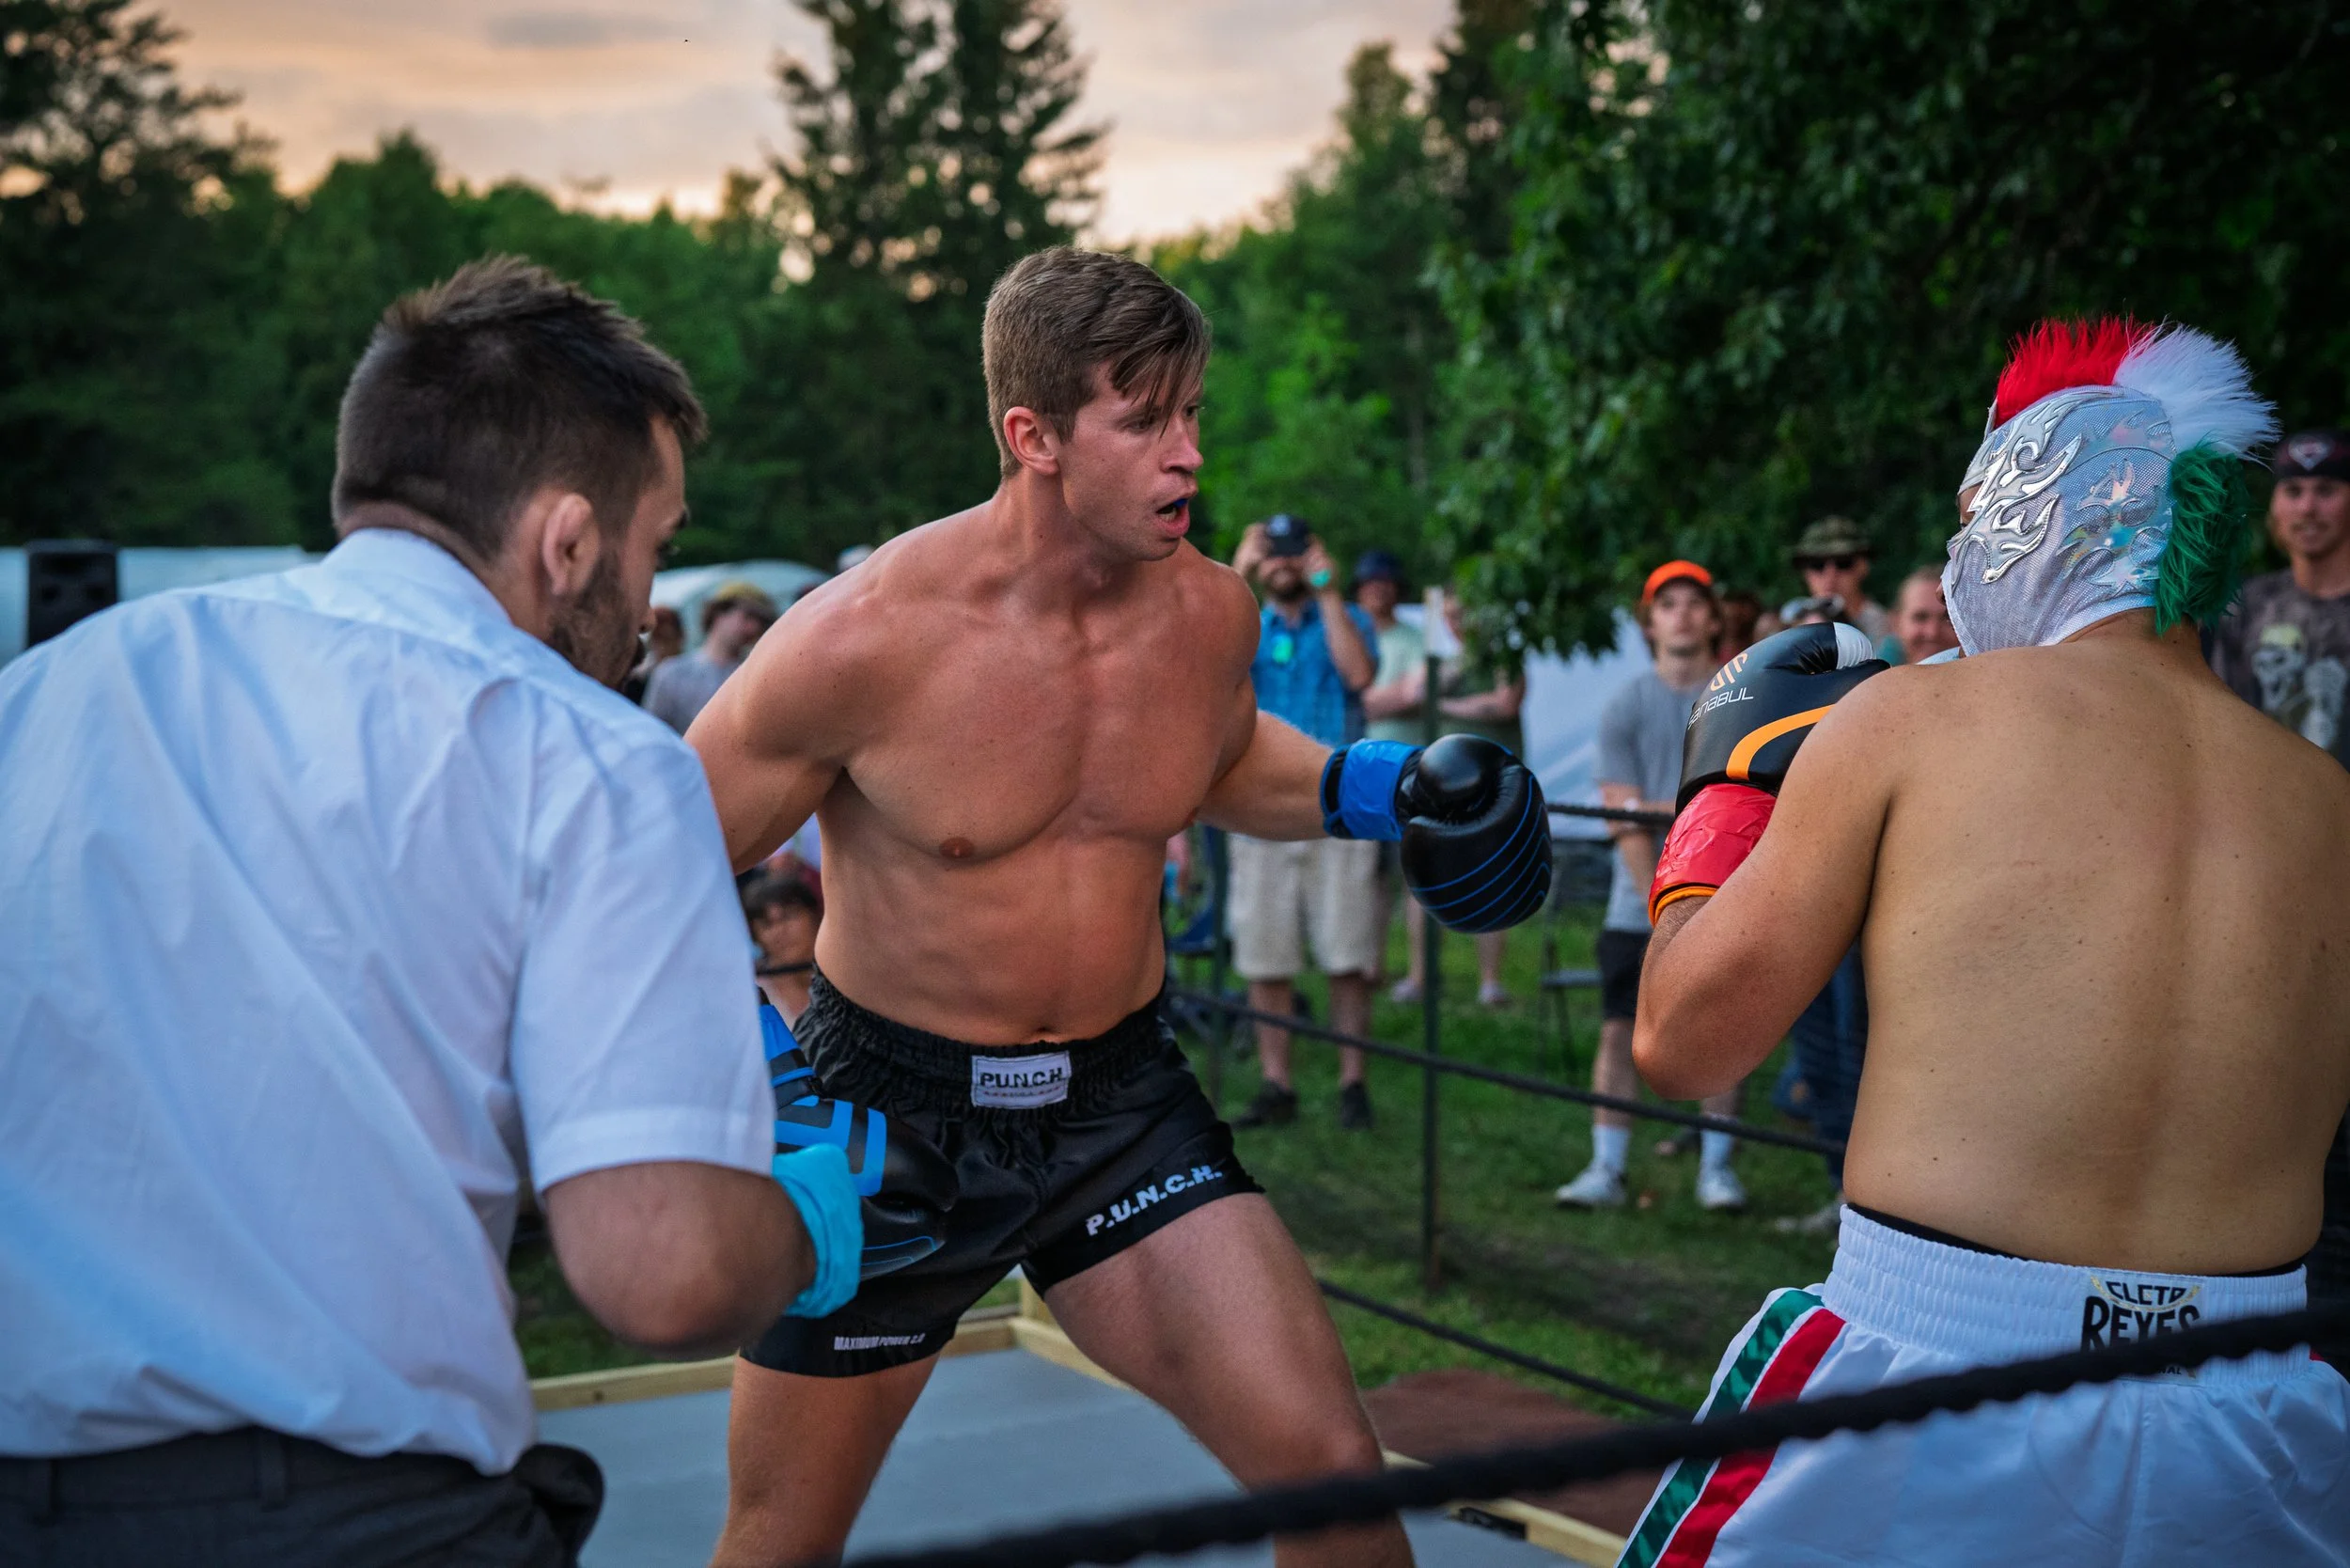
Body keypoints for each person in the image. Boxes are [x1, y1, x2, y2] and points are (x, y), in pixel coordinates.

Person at [684, 246, 1550, 1568]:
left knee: (1332, 1482)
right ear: (1032, 436)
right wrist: (771, 1084)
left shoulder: (1208, 615)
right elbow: (644, 875)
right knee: (781, 1537)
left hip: (1118, 1114)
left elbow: (1209, 758)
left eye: (1193, 412)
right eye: (1145, 420)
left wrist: (1380, 788)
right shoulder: (861, 642)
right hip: (889, 1124)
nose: (1188, 454)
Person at [0, 259, 862, 1567]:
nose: (645, 610)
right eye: (653, 551)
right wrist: (817, 1216)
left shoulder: (47, 692)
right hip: (355, 1518)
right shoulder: (590, 759)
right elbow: (663, 1267)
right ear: (566, 539)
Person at [1622, 320, 2350, 1564]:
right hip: (2258, 1414)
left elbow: (1683, 1043)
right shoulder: (2326, 800)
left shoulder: (1911, 723)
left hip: (1936, 1371)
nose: (1960, 557)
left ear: (2045, 512)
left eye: (1975, 516)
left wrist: (1722, 808)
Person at [1556, 561, 1747, 1215]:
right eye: (1669, 604)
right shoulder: (1626, 703)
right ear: (1650, 621)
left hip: (1727, 900)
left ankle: (1716, 1171)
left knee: (1722, 1032)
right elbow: (1621, 817)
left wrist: (1659, 811)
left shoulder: (1745, 701)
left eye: (1696, 602)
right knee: (1618, 1032)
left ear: (1714, 617)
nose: (1684, 613)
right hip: (1635, 905)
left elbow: (1739, 805)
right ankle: (1605, 1169)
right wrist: (1661, 907)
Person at [1225, 512, 1384, 1131]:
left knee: (1347, 953)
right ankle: (1277, 1084)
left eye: (1293, 550)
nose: (1283, 562)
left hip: (1340, 806)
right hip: (1258, 808)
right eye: (1273, 552)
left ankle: (1353, 1084)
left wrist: (1327, 590)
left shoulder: (1345, 619)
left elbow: (1361, 676)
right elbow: (1207, 671)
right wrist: (1237, 577)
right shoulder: (1246, 625)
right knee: (1266, 956)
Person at [2208, 429, 2350, 765]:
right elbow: (2220, 724)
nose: (2307, 508)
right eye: (2293, 490)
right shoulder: (2242, 606)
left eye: (2326, 490)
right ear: (2274, 506)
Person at [1355, 550, 1423, 992]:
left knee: (1415, 877)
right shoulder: (1351, 636)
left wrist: (1362, 695)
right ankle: (1370, 966)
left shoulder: (1414, 637)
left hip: (1409, 771)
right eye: (1371, 581)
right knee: (1370, 878)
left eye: (1387, 581)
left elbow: (1414, 694)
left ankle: (1418, 975)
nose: (1379, 588)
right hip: (1360, 775)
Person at [642, 579, 776, 734]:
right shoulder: (671, 673)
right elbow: (651, 732)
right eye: (747, 616)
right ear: (719, 613)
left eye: (761, 622)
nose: (754, 627)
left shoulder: (755, 677)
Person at [1790, 515, 1891, 649]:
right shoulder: (1787, 625)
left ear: (1863, 566)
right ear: (1805, 572)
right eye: (1817, 564)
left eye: (1843, 563)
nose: (1830, 575)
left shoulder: (1888, 629)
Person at [746, 871, 822, 1023]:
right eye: (767, 924)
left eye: (789, 916)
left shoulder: (846, 977)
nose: (779, 931)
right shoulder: (750, 995)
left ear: (816, 916)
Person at [1888, 565, 1959, 665]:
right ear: (1895, 623)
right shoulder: (1870, 679)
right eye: (1920, 618)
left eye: (1947, 618)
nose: (1932, 633)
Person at [619, 602, 682, 703]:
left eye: (667, 639)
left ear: (680, 638)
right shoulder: (637, 681)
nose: (662, 647)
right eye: (658, 639)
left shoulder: (694, 676)